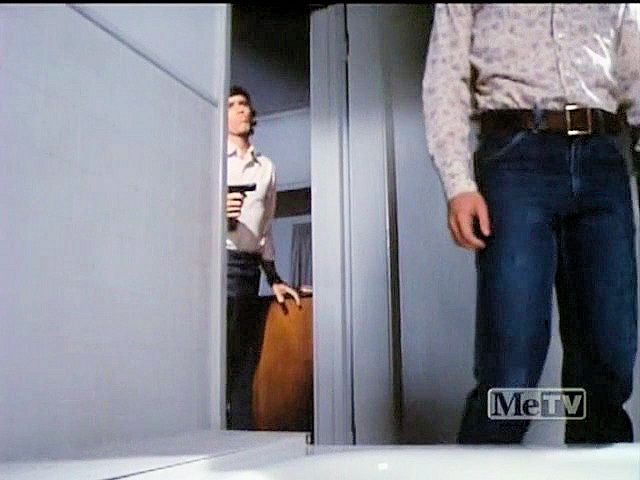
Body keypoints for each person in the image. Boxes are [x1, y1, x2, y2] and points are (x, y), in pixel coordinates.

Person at [423, 4, 639, 444]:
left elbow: (636, 69)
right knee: (511, 372)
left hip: (603, 157)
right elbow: (446, 75)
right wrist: (458, 183)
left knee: (608, 366)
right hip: (515, 156)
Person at [225, 85, 301, 430]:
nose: (241, 110)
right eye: (232, 105)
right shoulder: (211, 159)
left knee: (245, 359)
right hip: (218, 264)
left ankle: (240, 434)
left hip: (248, 269)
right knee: (220, 359)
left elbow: (265, 228)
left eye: (244, 104)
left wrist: (274, 278)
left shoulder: (265, 167)